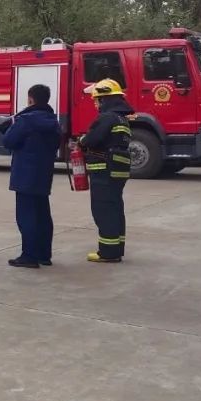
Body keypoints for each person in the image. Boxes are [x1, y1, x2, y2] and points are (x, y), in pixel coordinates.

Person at [2, 85, 61, 268]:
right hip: (43, 174)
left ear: (30, 99)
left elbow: (8, 141)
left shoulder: (26, 120)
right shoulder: (53, 121)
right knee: (43, 215)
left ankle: (29, 256)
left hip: (25, 175)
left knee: (26, 216)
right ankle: (44, 255)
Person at [80, 79, 133, 263]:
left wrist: (82, 141)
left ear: (105, 99)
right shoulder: (121, 118)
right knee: (115, 208)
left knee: (103, 210)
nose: (95, 104)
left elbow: (92, 140)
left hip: (104, 170)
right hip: (118, 170)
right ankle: (116, 248)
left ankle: (108, 252)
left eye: (96, 100)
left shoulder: (107, 117)